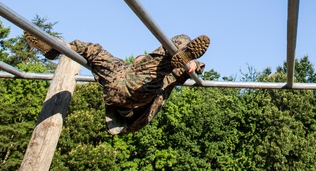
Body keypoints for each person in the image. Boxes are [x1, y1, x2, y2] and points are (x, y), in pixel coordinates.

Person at [25, 32, 209, 134]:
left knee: (167, 58)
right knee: (93, 50)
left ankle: (183, 52)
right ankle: (56, 47)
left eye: (141, 59)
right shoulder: (123, 67)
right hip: (117, 84)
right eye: (139, 59)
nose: (140, 60)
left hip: (138, 97)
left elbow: (185, 71)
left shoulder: (162, 74)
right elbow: (99, 55)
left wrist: (192, 64)